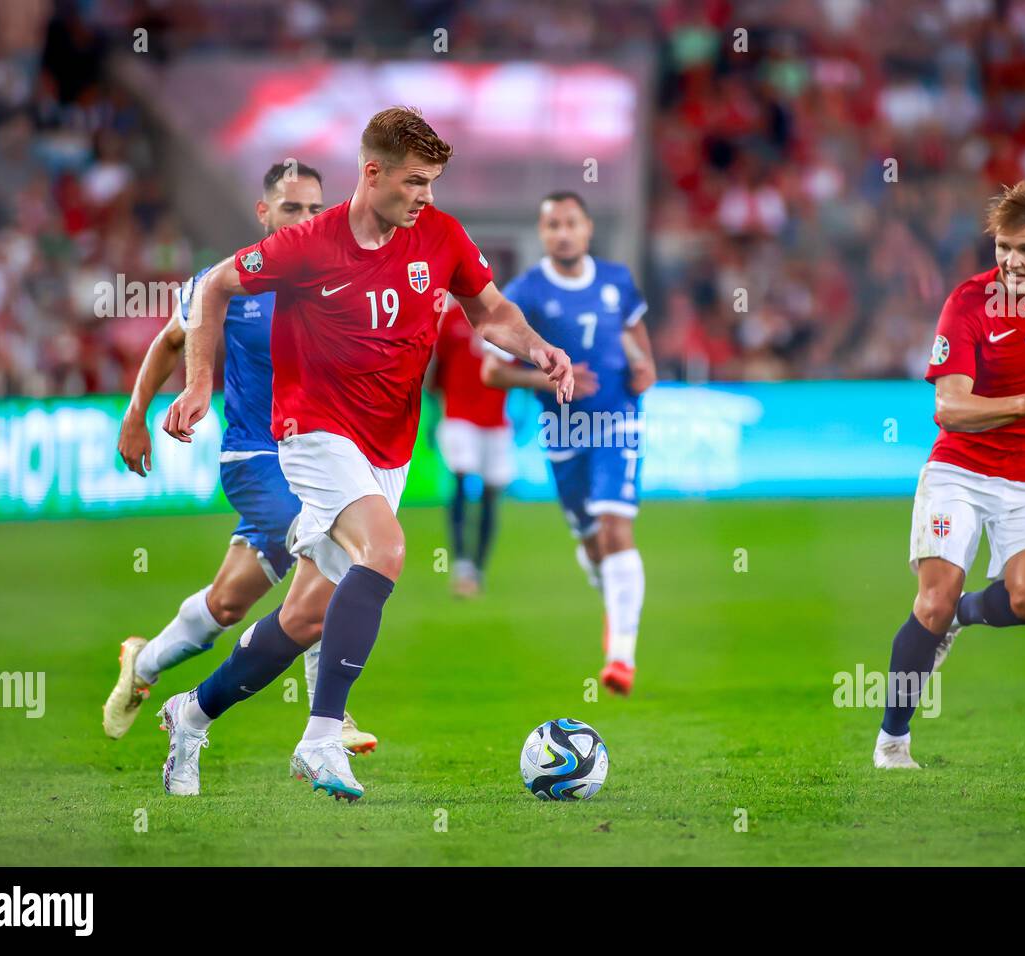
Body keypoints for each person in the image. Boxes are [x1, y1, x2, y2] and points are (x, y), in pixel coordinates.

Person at [158, 106, 574, 801]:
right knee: (386, 550)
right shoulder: (309, 244)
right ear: (371, 172)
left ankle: (191, 714)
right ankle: (322, 739)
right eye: (415, 181)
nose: (426, 197)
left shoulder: (439, 236)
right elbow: (213, 285)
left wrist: (537, 347)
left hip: (388, 449)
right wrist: (200, 382)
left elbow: (491, 311)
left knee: (303, 620)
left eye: (434, 182)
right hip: (315, 432)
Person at [104, 161, 377, 754]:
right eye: (290, 208)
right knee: (331, 543)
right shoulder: (227, 282)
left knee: (228, 604)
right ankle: (332, 716)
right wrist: (135, 415)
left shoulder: (338, 282)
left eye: (314, 209)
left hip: (320, 457)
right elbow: (169, 341)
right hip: (255, 458)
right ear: (264, 213)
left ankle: (143, 663)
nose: (304, 219)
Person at [875, 180, 1025, 769]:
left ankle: (965, 615)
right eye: (1003, 247)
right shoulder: (968, 304)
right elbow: (949, 409)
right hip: (960, 470)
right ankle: (893, 740)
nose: (1012, 261)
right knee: (931, 603)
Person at [482, 191, 655, 696]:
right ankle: (614, 602)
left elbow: (637, 341)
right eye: (553, 224)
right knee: (591, 539)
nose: (562, 232)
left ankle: (621, 655)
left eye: (570, 223)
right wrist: (553, 378)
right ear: (542, 234)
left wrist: (645, 368)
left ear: (587, 229)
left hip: (618, 420)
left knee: (616, 527)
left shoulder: (616, 280)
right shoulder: (527, 293)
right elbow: (492, 371)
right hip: (563, 431)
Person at [430, 299, 512, 596]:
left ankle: (478, 568)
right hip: (458, 416)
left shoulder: (506, 319)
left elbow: (516, 366)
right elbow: (435, 369)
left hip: (496, 421)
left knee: (491, 493)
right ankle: (461, 564)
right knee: (462, 478)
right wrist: (433, 413)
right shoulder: (451, 319)